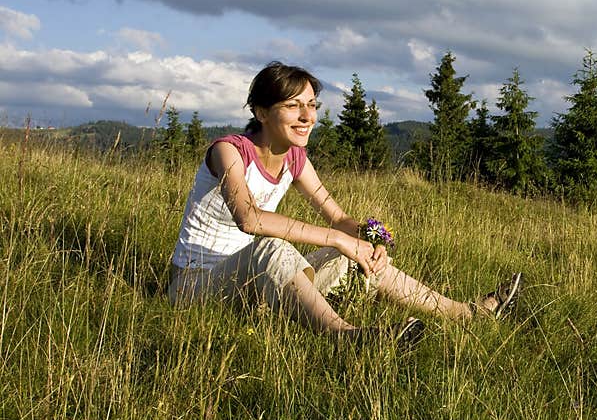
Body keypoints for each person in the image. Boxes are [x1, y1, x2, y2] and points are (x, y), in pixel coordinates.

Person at [168, 61, 522, 345]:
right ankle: (344, 337)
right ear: (261, 112)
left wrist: (369, 240)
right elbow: (250, 219)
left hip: (251, 288)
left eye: (311, 105)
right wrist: (338, 238)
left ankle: (467, 313)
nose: (308, 116)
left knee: (353, 255)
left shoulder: (295, 158)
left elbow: (337, 216)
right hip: (197, 288)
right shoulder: (228, 151)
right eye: (293, 106)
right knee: (273, 247)